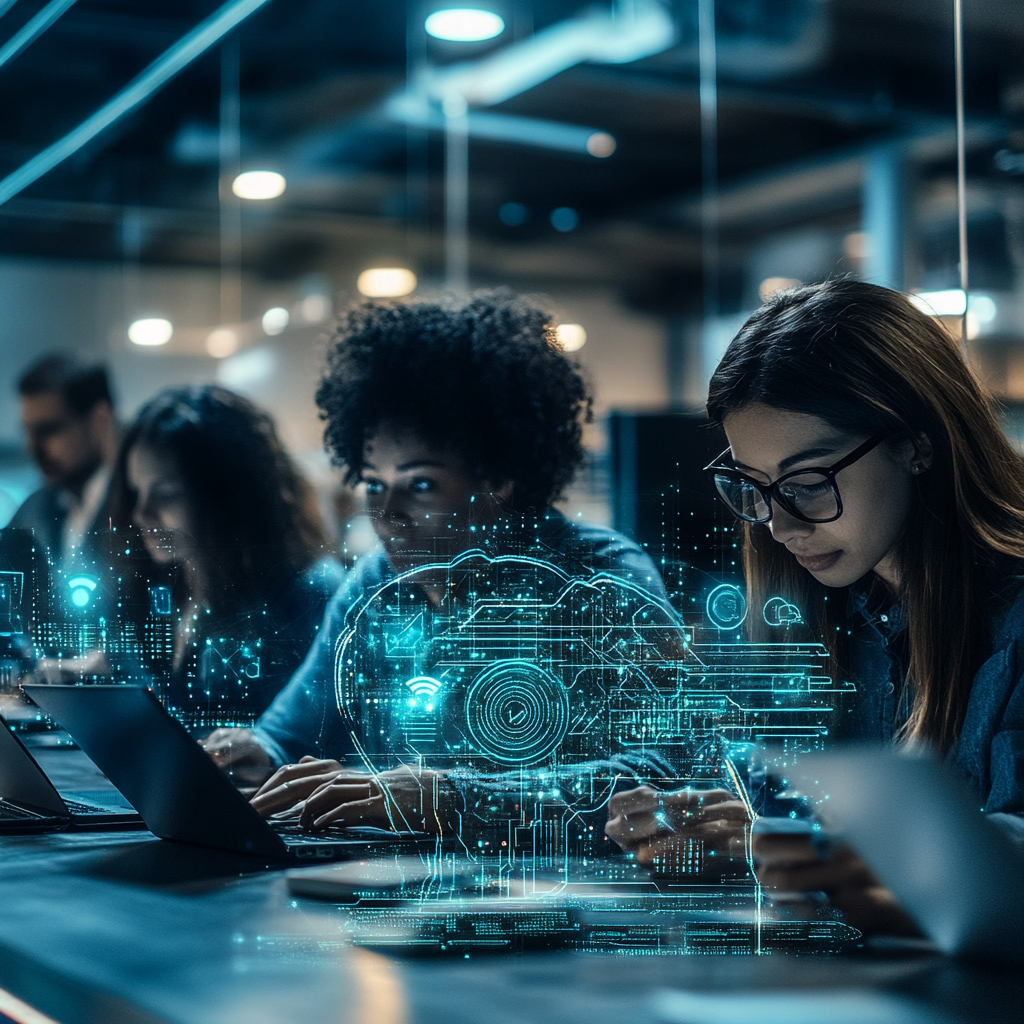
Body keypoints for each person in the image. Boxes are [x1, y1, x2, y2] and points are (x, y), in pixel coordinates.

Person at [604, 279, 1024, 934]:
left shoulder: (1014, 619)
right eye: (755, 487)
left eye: (806, 483)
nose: (778, 523)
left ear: (917, 443)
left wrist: (850, 858)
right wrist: (745, 834)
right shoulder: (824, 611)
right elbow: (710, 767)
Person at [205, 291, 675, 837]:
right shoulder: (374, 584)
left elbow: (671, 769)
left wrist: (455, 797)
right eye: (374, 485)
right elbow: (289, 734)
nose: (386, 517)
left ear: (501, 474)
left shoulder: (601, 578)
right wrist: (253, 751)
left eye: (421, 485)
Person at [69, 385, 343, 728]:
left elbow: (306, 742)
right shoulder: (164, 589)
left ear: (226, 495)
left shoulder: (308, 595)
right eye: (137, 492)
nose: (141, 514)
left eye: (166, 494)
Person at [10, 355, 118, 566]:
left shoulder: (142, 510)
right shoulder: (31, 512)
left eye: (48, 430)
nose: (31, 448)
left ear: (99, 420)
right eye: (28, 432)